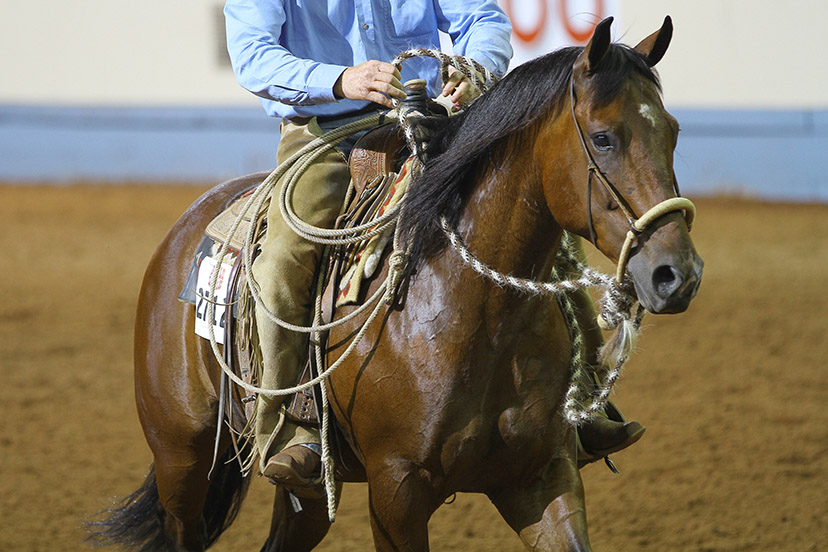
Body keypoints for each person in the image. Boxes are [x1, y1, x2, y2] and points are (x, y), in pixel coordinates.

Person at [224, 0, 642, 491]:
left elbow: (481, 18)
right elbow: (252, 56)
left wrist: (476, 69)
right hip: (327, 136)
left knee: (531, 216)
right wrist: (341, 81)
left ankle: (583, 395)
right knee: (282, 262)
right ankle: (286, 426)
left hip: (434, 123)